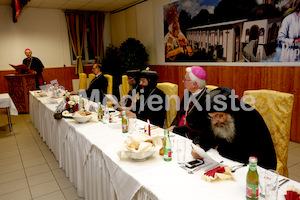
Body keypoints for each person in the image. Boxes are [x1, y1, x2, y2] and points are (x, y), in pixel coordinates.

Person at [191, 87, 277, 170]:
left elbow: (248, 154)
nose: (214, 122)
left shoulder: (250, 117)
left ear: (230, 112)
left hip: (256, 169)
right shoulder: (217, 117)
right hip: (228, 164)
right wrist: (198, 146)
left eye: (218, 116)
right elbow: (206, 134)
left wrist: (219, 148)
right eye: (211, 117)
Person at [167, 66, 210, 140]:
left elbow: (198, 126)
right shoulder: (187, 93)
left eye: (185, 80)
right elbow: (179, 114)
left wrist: (175, 129)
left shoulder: (207, 98)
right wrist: (173, 125)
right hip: (180, 133)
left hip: (195, 137)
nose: (183, 81)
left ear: (194, 84)